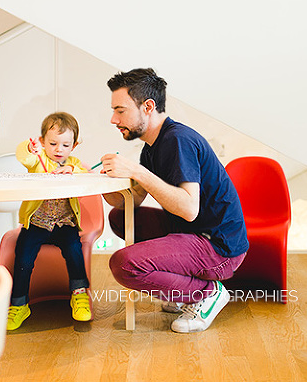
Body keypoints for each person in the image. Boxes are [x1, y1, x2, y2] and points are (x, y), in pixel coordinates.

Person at [100, 68, 248, 333]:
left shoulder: (178, 140)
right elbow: (133, 201)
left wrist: (137, 172)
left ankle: (207, 293)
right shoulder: (151, 148)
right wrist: (101, 181)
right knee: (119, 218)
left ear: (148, 107)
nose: (113, 119)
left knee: (124, 265)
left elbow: (189, 209)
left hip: (218, 246)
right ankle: (182, 288)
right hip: (190, 232)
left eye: (120, 111)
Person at [7, 112, 93, 330]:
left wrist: (72, 170)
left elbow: (86, 173)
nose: (58, 149)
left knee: (74, 251)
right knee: (23, 257)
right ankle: (19, 304)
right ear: (43, 141)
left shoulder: (73, 164)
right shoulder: (38, 161)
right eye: (53, 143)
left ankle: (79, 294)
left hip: (65, 225)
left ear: (74, 146)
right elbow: (23, 156)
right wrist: (30, 147)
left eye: (65, 145)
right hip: (37, 224)